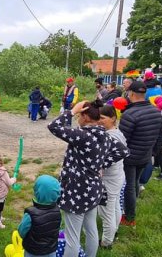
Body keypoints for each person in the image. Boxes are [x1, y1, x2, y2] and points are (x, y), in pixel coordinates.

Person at [48, 100, 129, 257]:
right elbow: (123, 150)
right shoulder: (104, 135)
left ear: (85, 116)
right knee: (91, 229)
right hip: (93, 188)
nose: (77, 117)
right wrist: (98, 165)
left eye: (79, 115)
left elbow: (54, 127)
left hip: (76, 191)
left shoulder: (83, 135)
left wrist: (71, 112)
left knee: (72, 237)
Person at [118, 81, 162, 227]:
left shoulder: (129, 114)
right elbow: (161, 135)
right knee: (135, 182)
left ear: (131, 94)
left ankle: (129, 217)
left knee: (129, 186)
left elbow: (122, 140)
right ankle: (132, 205)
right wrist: (153, 152)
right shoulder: (156, 111)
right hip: (145, 155)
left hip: (130, 157)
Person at [97, 105, 126, 248]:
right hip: (118, 175)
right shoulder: (117, 132)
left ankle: (106, 242)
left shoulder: (110, 136)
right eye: (98, 118)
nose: (99, 121)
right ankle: (114, 231)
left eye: (102, 118)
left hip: (109, 179)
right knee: (114, 207)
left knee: (105, 212)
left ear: (113, 118)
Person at [17, 175, 62, 257]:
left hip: (33, 252)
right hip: (51, 251)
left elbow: (21, 232)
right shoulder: (57, 211)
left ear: (37, 192)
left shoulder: (30, 214)